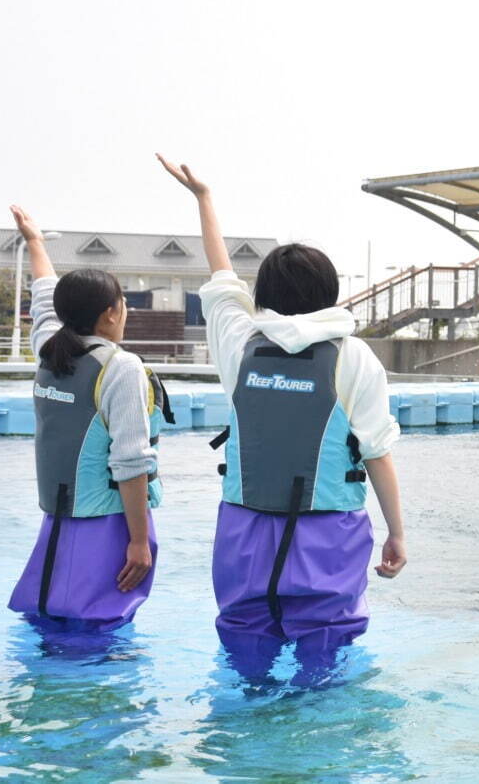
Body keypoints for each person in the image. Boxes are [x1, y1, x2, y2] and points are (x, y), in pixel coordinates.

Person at [158, 154, 405, 681]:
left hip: (245, 526)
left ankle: (246, 744)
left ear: (263, 296)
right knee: (327, 654)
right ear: (329, 293)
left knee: (246, 645)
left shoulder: (240, 342)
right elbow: (378, 454)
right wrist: (396, 533)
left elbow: (221, 277)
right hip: (329, 531)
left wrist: (204, 199)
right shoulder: (355, 357)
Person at [6, 205, 169, 633]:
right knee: (101, 635)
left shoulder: (48, 347)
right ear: (110, 313)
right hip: (108, 524)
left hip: (58, 522)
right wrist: (137, 540)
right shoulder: (121, 367)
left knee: (54, 626)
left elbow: (43, 296)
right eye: (123, 304)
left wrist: (35, 243)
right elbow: (132, 461)